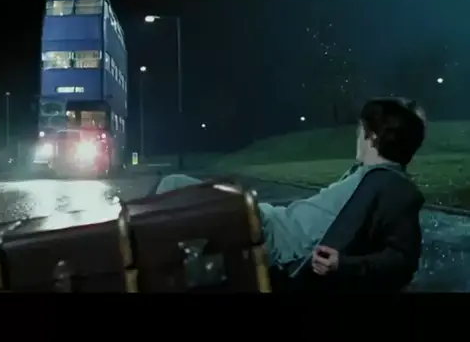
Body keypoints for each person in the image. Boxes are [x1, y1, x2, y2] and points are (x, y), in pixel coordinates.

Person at [155, 97, 426, 291]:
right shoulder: (366, 173)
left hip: (276, 238)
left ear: (372, 137)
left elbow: (403, 260)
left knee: (174, 185)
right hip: (271, 220)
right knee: (178, 197)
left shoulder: (395, 186)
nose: (357, 138)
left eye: (360, 132)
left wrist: (342, 265)